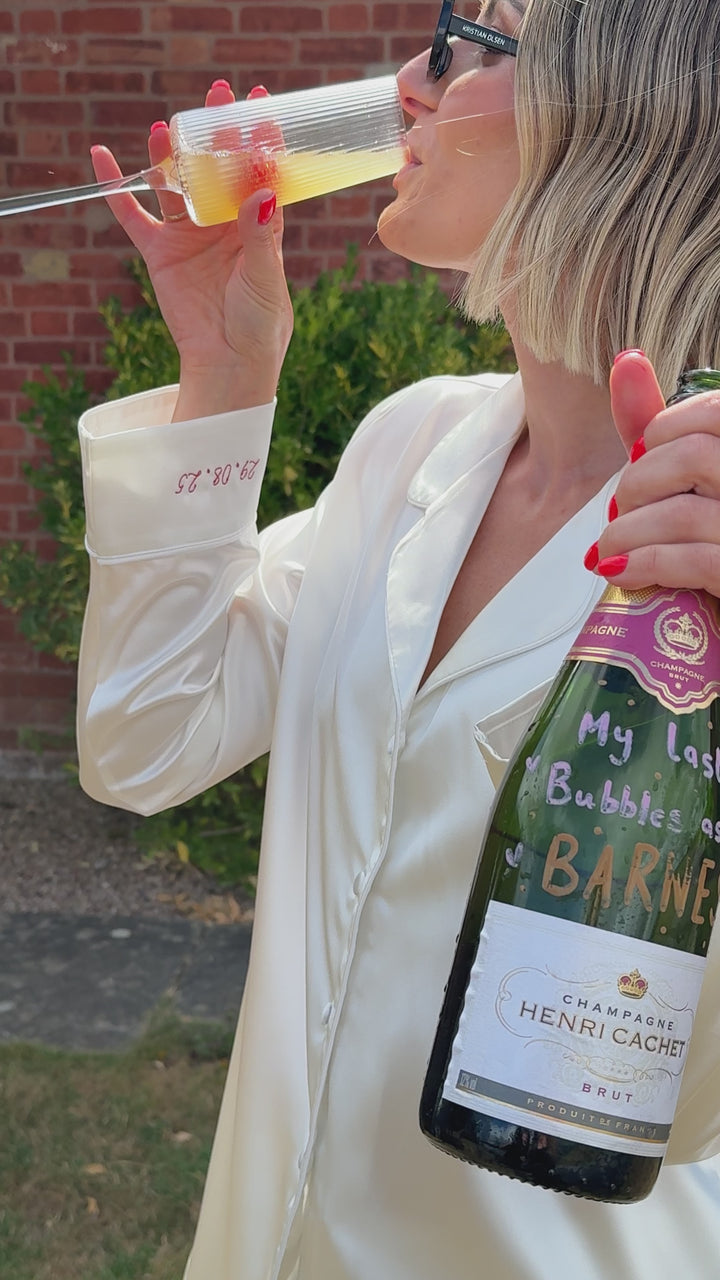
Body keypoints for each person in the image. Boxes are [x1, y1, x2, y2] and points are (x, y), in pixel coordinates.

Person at [77, 1, 720, 1277]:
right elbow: (145, 737)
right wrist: (225, 374)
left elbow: (683, 1103)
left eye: (471, 41)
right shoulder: (410, 444)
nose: (406, 88)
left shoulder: (703, 532)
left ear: (619, 109)